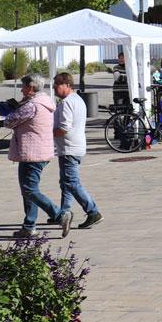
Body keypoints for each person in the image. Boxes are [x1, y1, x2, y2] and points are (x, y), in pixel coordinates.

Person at [1, 74, 69, 237]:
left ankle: (60, 215)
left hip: (32, 152)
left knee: (29, 189)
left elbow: (9, 121)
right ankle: (29, 225)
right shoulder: (44, 101)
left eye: (23, 87)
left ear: (31, 87)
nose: (22, 90)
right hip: (41, 151)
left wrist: (10, 110)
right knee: (29, 189)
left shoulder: (32, 105)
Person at [52, 72, 102, 229]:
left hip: (70, 148)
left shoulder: (67, 102)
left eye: (57, 85)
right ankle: (63, 213)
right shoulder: (77, 99)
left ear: (67, 85)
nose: (54, 88)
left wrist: (49, 134)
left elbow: (64, 127)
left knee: (72, 183)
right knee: (66, 182)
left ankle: (93, 211)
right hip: (75, 147)